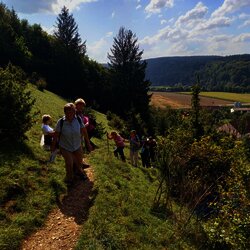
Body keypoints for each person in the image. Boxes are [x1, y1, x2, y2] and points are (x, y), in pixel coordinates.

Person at [51, 103, 92, 186]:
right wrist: (53, 146)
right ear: (65, 112)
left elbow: (84, 131)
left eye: (71, 112)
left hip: (77, 145)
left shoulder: (79, 120)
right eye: (67, 112)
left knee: (79, 162)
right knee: (69, 162)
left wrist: (88, 143)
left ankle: (79, 172)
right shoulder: (61, 122)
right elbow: (56, 135)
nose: (69, 114)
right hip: (65, 147)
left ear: (74, 112)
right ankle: (69, 179)